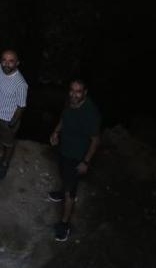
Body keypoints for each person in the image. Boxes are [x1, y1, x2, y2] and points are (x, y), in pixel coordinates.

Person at [48, 78, 100, 242]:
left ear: (84, 93)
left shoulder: (90, 113)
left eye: (78, 91)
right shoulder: (70, 102)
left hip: (77, 156)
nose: (74, 94)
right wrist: (56, 132)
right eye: (72, 90)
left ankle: (64, 225)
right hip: (65, 149)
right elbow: (64, 119)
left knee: (71, 191)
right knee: (64, 175)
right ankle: (62, 191)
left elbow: (95, 140)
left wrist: (85, 161)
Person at [0, 49, 28, 182]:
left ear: (17, 63)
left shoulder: (21, 84)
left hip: (8, 118)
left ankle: (4, 164)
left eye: (11, 61)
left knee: (9, 143)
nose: (6, 64)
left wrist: (13, 121)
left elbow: (21, 106)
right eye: (4, 60)